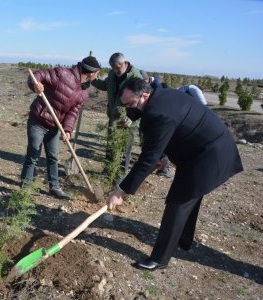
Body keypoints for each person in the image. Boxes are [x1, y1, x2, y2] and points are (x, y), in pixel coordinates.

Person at [107, 78, 243, 271]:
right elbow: (163, 137)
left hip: (209, 155)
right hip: (201, 150)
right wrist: (161, 156)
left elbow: (147, 158)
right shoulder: (160, 95)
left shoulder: (158, 113)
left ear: (145, 95)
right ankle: (183, 240)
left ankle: (160, 259)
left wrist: (121, 191)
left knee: (178, 203)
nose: (130, 109)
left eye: (131, 104)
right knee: (190, 195)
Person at [20, 56, 101, 200]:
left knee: (53, 156)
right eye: (98, 72)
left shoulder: (83, 92)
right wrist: (36, 84)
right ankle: (25, 186)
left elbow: (73, 113)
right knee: (33, 155)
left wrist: (68, 130)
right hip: (38, 121)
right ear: (92, 72)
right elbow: (38, 74)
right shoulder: (62, 73)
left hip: (55, 127)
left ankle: (54, 187)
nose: (98, 75)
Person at [91, 53, 143, 171]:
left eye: (117, 67)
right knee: (110, 146)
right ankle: (108, 172)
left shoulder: (135, 76)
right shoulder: (112, 73)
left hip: (128, 120)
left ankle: (121, 176)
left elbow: (140, 100)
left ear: (125, 63)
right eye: (113, 67)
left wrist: (131, 117)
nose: (115, 70)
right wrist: (92, 79)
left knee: (124, 149)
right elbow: (105, 85)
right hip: (114, 117)